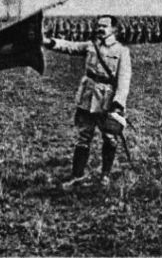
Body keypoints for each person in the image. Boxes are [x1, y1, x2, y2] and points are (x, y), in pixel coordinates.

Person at [43, 15, 131, 190]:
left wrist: (118, 103)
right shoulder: (91, 45)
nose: (100, 29)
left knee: (109, 138)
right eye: (98, 25)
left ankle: (105, 175)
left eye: (104, 26)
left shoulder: (122, 51)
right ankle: (77, 176)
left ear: (114, 29)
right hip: (87, 97)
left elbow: (124, 79)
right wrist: (48, 42)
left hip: (107, 101)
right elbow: (69, 46)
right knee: (83, 138)